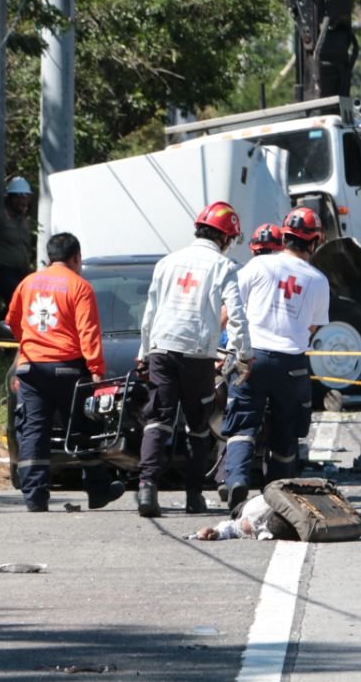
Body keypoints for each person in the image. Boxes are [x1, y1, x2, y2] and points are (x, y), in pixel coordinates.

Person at [136, 202, 251, 517]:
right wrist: (243, 354)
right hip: (198, 355)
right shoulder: (223, 266)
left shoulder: (167, 262)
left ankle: (147, 489)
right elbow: (237, 315)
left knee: (157, 419)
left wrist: (143, 354)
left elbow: (150, 313)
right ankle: (193, 496)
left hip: (161, 349)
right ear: (226, 237)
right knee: (198, 426)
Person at [5, 232, 124, 512]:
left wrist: (28, 343)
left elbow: (12, 320)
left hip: (32, 368)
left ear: (49, 257)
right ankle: (98, 490)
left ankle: (34, 497)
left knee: (34, 430)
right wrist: (96, 370)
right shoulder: (79, 287)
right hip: (70, 370)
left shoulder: (28, 283)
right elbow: (88, 332)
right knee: (84, 428)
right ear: (76, 257)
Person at [220, 207, 330, 509]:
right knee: (286, 430)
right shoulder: (319, 280)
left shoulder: (259, 266)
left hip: (251, 357)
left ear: (285, 235)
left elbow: (230, 308)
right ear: (314, 242)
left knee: (242, 422)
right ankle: (277, 500)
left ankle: (237, 481)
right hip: (291, 364)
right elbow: (312, 326)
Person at [0, 176, 35, 313]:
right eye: (18, 197)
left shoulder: (23, 221)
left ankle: (4, 325)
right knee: (18, 300)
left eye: (25, 197)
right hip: (2, 272)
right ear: (9, 198)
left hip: (20, 273)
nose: (22, 201)